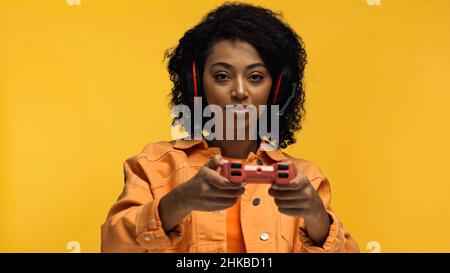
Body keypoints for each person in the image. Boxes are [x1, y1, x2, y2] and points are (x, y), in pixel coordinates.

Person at [101, 2, 359, 253]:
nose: (239, 91)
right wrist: (180, 200)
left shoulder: (306, 178)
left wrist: (317, 217)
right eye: (222, 76)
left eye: (256, 77)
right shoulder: (153, 166)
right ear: (197, 84)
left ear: (277, 89)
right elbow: (112, 245)